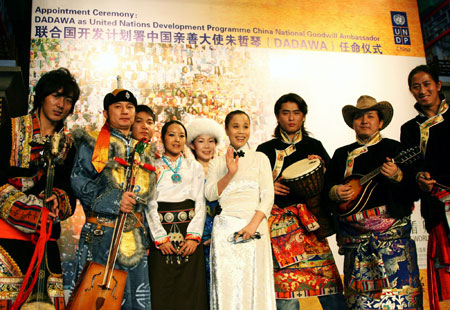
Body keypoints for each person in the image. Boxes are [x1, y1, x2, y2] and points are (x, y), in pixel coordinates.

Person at [324, 95, 423, 309]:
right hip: (356, 243)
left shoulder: (396, 150)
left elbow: (414, 191)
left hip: (394, 243)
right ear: (353, 123)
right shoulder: (342, 155)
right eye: (359, 117)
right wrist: (334, 192)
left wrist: (398, 176)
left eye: (370, 116)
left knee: (402, 301)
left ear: (380, 122)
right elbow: (326, 190)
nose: (364, 121)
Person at [70, 89, 157, 310]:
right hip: (102, 234)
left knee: (136, 299)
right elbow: (78, 181)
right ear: (106, 113)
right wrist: (116, 201)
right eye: (118, 107)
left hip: (134, 239)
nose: (125, 111)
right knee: (98, 300)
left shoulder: (142, 149)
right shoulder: (92, 142)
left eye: (129, 107)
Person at [0, 68, 79, 309]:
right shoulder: (11, 130)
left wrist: (56, 197)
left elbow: (68, 189)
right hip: (7, 235)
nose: (61, 105)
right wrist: (31, 208)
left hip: (46, 238)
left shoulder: (67, 145)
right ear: (42, 97)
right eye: (56, 96)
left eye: (68, 100)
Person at [256, 93, 344, 310]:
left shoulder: (314, 146)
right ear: (277, 117)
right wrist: (268, 188)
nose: (291, 118)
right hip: (281, 232)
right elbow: (251, 186)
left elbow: (332, 184)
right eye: (286, 113)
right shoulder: (265, 150)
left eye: (296, 112)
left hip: (311, 225)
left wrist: (322, 168)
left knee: (331, 291)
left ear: (304, 116)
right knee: (286, 296)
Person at [205, 110, 276, 310]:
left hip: (255, 227)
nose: (241, 131)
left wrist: (253, 226)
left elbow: (268, 196)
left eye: (245, 126)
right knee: (228, 287)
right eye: (235, 126)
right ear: (226, 130)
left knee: (255, 283)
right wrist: (230, 173)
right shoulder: (217, 162)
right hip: (226, 228)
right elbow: (210, 194)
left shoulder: (261, 158)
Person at [400, 65, 450, 310]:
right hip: (438, 209)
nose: (422, 90)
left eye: (427, 84)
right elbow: (411, 168)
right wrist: (419, 177)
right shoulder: (409, 129)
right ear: (411, 91)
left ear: (438, 86)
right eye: (416, 87)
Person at [146, 120, 208, 310]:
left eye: (181, 135)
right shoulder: (152, 166)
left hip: (189, 232)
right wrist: (160, 238)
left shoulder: (194, 166)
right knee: (162, 290)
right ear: (163, 138)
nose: (177, 139)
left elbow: (200, 203)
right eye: (172, 134)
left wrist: (193, 237)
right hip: (162, 232)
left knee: (191, 290)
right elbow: (149, 204)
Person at [186, 118, 224, 301]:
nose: (207, 146)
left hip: (221, 238)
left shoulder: (225, 169)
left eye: (211, 141)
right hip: (195, 239)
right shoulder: (186, 170)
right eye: (201, 141)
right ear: (192, 145)